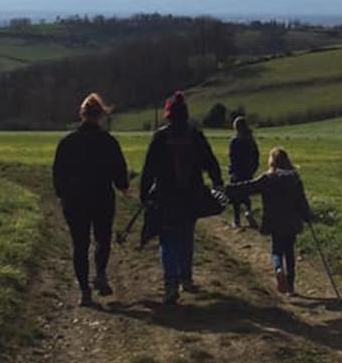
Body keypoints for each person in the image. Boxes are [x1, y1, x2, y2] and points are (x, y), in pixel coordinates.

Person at [140, 91, 223, 305]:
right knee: (187, 235)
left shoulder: (160, 137)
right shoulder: (195, 135)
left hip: (166, 196)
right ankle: (186, 277)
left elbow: (148, 169)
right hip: (191, 195)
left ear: (168, 115)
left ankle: (170, 284)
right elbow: (211, 162)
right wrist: (217, 184)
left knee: (167, 240)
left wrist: (144, 194)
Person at [52, 93, 129, 306]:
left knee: (80, 244)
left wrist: (61, 194)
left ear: (82, 114)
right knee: (102, 239)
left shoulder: (67, 142)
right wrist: (123, 186)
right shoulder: (109, 142)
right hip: (102, 197)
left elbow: (58, 173)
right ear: (101, 115)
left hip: (75, 199)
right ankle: (101, 273)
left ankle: (84, 290)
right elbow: (119, 173)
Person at [226, 147, 313, 296]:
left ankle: (278, 269)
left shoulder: (268, 178)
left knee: (276, 250)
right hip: (291, 221)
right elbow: (301, 201)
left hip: (274, 220)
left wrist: (227, 189)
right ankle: (291, 287)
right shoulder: (295, 178)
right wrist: (307, 215)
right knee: (289, 252)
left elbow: (249, 186)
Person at [228, 116, 260, 230]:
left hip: (238, 171)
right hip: (248, 170)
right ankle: (248, 212)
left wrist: (231, 171)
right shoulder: (251, 139)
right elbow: (256, 155)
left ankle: (236, 220)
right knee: (246, 194)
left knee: (236, 195)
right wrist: (254, 168)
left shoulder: (235, 141)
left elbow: (233, 158)